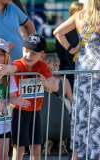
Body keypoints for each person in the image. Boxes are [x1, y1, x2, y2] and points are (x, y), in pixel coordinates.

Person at [0, 34, 58, 160]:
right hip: (19, 111)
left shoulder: (42, 67)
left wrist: (47, 83)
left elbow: (56, 87)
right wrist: (7, 68)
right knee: (19, 147)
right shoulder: (20, 63)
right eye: (26, 51)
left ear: (42, 55)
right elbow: (15, 67)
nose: (28, 55)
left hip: (36, 111)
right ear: (22, 49)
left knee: (37, 147)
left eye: (33, 53)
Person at [53, 0, 100, 159]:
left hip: (83, 70)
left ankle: (78, 154)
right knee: (95, 115)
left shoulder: (79, 16)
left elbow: (57, 32)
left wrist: (72, 48)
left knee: (82, 114)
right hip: (97, 72)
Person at [41, 53, 73, 156]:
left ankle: (48, 142)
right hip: (64, 125)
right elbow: (72, 102)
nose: (54, 67)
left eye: (56, 65)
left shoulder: (40, 81)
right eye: (52, 64)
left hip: (43, 126)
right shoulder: (64, 81)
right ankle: (61, 142)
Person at [55, 2, 83, 89]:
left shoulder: (63, 30)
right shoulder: (83, 30)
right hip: (72, 72)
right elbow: (59, 53)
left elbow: (58, 53)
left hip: (69, 71)